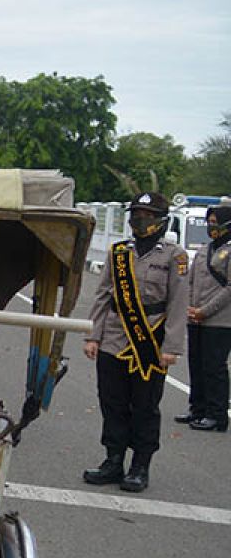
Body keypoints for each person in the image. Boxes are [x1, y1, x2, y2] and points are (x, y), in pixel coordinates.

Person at [82, 192, 188, 492]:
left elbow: (179, 303)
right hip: (113, 339)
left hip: (150, 342)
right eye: (136, 214)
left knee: (144, 406)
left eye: (147, 214)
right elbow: (103, 295)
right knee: (111, 403)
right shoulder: (118, 252)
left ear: (161, 219)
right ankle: (113, 460)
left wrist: (171, 348)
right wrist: (93, 336)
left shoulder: (174, 255)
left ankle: (140, 466)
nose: (140, 220)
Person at [175, 205, 231, 432]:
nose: (211, 226)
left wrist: (204, 310)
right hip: (195, 318)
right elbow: (190, 281)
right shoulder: (203, 250)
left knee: (214, 367)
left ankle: (216, 415)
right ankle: (197, 409)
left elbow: (229, 289)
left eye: (216, 222)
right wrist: (188, 308)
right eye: (209, 222)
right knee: (196, 364)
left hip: (220, 321)